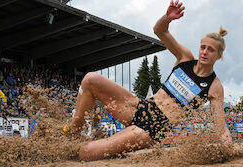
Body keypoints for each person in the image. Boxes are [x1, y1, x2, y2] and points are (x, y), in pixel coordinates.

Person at [64, 0, 232, 161]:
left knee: (85, 153)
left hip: (153, 128)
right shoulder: (185, 58)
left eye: (210, 50)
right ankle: (73, 132)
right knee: (90, 79)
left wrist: (229, 152)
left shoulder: (214, 86)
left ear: (219, 55)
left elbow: (221, 126)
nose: (204, 52)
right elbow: (160, 31)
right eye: (203, 47)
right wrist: (167, 17)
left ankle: (104, 147)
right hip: (141, 107)